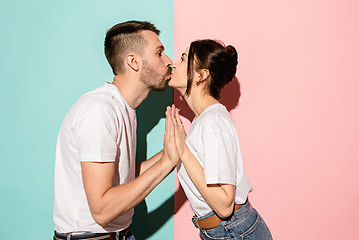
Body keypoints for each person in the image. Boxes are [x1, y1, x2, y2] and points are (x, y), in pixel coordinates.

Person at [53, 20, 179, 240]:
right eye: (159, 53)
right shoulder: (100, 111)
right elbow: (102, 211)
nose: (168, 61)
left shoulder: (121, 107)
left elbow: (124, 176)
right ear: (133, 61)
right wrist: (167, 162)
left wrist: (177, 152)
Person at [168, 39, 273, 240]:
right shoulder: (204, 120)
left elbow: (224, 206)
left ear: (201, 75)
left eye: (183, 59)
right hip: (225, 231)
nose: (174, 64)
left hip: (234, 232)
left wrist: (183, 151)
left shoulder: (212, 121)